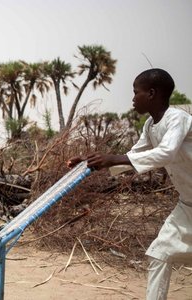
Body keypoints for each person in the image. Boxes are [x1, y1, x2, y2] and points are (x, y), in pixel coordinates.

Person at [67, 68, 192, 300]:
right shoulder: (149, 126)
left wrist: (113, 159)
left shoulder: (178, 118)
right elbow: (132, 157)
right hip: (188, 206)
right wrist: (90, 161)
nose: (133, 98)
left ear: (152, 93)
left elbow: (166, 153)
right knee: (159, 254)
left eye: (136, 92)